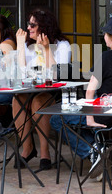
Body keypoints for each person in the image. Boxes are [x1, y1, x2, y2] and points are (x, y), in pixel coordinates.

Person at [49, 14, 112, 179]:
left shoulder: (106, 57)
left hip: (102, 114)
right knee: (70, 119)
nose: (104, 36)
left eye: (107, 34)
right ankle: (97, 147)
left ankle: (93, 151)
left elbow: (90, 90)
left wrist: (89, 117)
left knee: (56, 119)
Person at [13, 9, 71, 170]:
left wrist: (46, 50)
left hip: (54, 92)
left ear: (44, 27)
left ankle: (45, 152)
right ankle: (28, 148)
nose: (28, 28)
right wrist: (19, 46)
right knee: (17, 99)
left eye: (33, 25)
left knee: (38, 101)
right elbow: (21, 73)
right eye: (28, 24)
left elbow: (57, 75)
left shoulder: (62, 45)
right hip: (29, 89)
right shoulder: (27, 45)